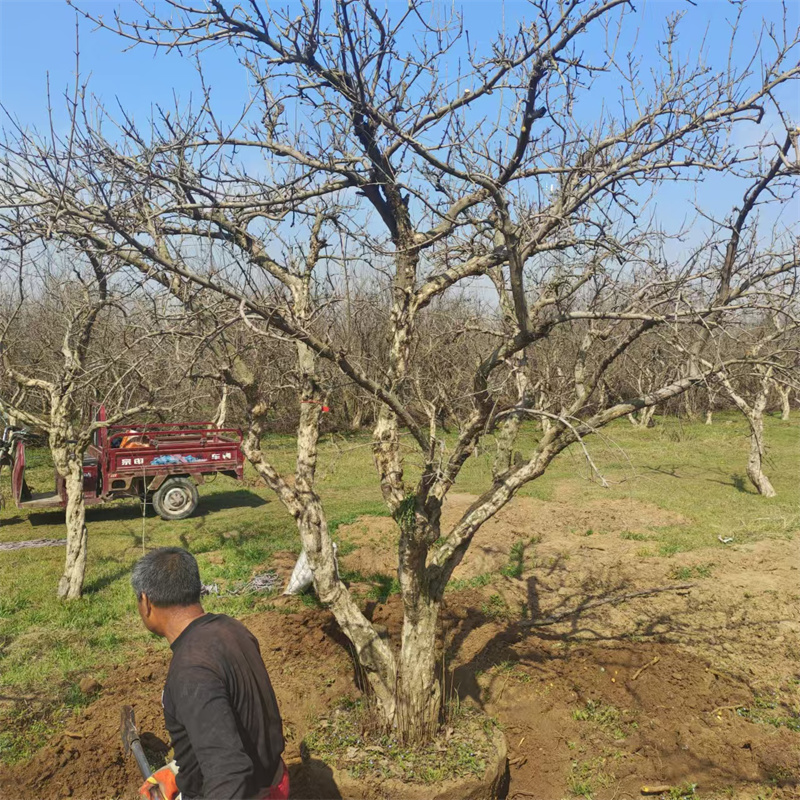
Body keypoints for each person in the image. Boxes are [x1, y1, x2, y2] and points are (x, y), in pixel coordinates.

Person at [131, 547, 289, 800]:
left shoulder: (191, 671)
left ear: (146, 601)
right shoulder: (230, 628)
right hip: (272, 778)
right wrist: (180, 771)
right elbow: (232, 723)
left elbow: (229, 772)